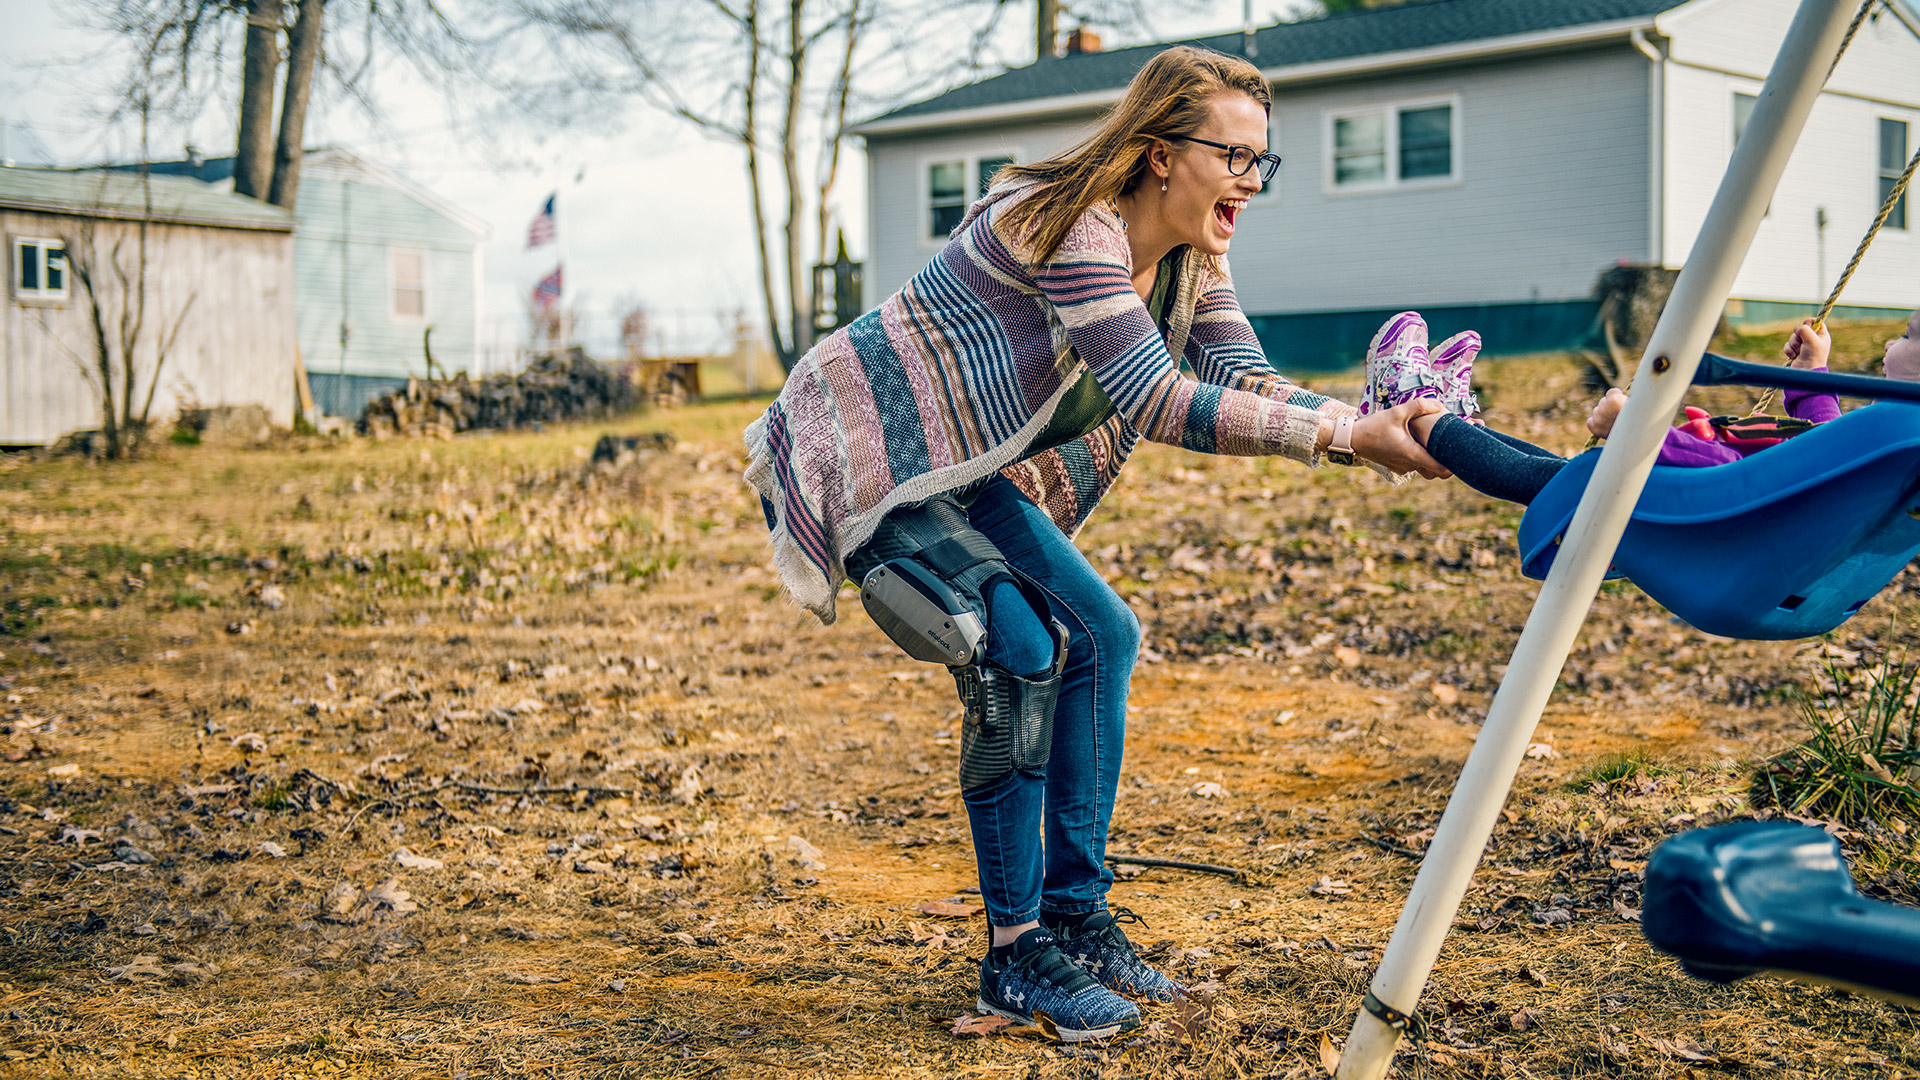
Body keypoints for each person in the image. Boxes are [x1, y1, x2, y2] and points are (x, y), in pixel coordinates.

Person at [743, 46, 1447, 1042]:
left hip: (962, 470)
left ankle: (1075, 919)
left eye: (1262, 160)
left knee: (1102, 635)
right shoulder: (1074, 226)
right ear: (1160, 153)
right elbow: (1156, 398)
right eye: (1233, 156)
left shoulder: (1193, 259)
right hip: (865, 451)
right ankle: (1015, 956)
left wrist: (1362, 422)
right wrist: (1340, 439)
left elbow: (1242, 376)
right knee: (1019, 650)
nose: (1252, 180)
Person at [1363, 306, 1920, 506]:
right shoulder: (1897, 441)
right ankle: (1449, 420)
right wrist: (1812, 370)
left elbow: (1740, 481)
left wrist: (1638, 431)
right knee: (1553, 473)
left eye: (1910, 334)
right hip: (1729, 527)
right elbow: (1820, 446)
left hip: (1698, 518)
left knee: (1543, 481)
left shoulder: (1894, 434)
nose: (1893, 339)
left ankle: (1414, 409)